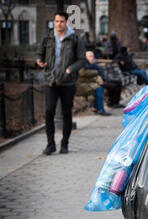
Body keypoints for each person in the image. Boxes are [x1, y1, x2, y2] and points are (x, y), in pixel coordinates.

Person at [36, 12, 86, 155]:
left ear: (66, 22)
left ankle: (65, 143)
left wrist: (71, 69)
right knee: (49, 111)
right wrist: (39, 61)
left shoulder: (75, 39)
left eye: (62, 21)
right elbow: (39, 54)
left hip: (67, 82)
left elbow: (82, 59)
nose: (59, 24)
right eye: (57, 21)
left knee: (66, 113)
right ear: (54, 22)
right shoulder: (47, 38)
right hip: (50, 80)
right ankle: (50, 144)